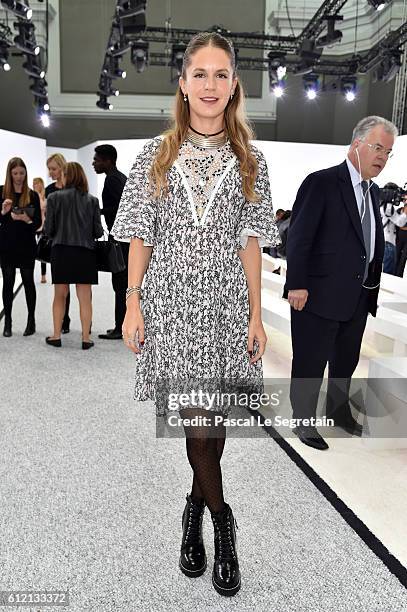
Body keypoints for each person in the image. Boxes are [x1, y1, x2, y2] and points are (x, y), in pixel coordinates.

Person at [111, 32, 280, 597]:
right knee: (200, 425)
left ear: (235, 86)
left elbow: (250, 243)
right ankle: (224, 524)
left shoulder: (251, 159)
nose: (210, 85)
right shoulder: (153, 154)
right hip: (174, 308)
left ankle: (193, 508)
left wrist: (257, 315)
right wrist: (133, 303)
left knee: (215, 424)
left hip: (228, 309)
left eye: (221, 74)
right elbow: (140, 236)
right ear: (182, 84)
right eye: (199, 74)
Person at [284, 116, 396, 451]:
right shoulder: (322, 183)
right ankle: (303, 420)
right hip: (316, 294)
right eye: (377, 147)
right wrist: (297, 284)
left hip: (357, 297)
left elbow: (367, 242)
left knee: (345, 362)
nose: (382, 157)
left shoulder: (372, 192)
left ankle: (338, 412)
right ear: (357, 144)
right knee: (310, 360)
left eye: (388, 152)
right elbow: (299, 238)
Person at [43, 162, 103, 349]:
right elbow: (98, 232)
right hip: (85, 252)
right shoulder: (92, 200)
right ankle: (86, 338)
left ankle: (56, 335)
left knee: (60, 295)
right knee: (85, 297)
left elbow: (48, 229)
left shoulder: (53, 198)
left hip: (61, 251)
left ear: (66, 176)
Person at [0, 157, 41, 337]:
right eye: (15, 173)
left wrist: (27, 219)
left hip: (26, 245)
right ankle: (7, 321)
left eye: (22, 173)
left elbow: (39, 222)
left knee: (28, 282)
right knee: (7, 282)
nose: (19, 177)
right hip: (6, 245)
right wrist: (3, 212)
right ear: (9, 174)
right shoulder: (1, 193)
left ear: (26, 173)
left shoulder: (32, 195)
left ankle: (31, 320)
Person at [92, 144, 127, 340]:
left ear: (108, 161)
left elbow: (117, 211)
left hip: (120, 241)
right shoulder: (119, 178)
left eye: (97, 159)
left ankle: (120, 328)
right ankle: (121, 326)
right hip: (124, 239)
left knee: (120, 284)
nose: (94, 163)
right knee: (122, 284)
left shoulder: (113, 180)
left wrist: (97, 211)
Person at [46, 153, 71, 333]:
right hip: (57, 241)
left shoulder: (73, 187)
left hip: (73, 240)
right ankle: (63, 319)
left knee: (75, 285)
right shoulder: (49, 190)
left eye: (53, 169)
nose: (51, 172)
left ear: (62, 168)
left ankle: (70, 318)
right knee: (60, 284)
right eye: (49, 169)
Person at [379, 183, 407, 275]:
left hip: (385, 243)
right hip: (388, 245)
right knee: (388, 274)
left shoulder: (380, 205)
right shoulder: (387, 207)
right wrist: (406, 210)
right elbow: (400, 222)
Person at [33, 176, 47, 283]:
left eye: (37, 183)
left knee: (43, 249)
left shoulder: (45, 195)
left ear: (41, 184)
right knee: (32, 249)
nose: (35, 185)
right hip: (35, 225)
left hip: (45, 225)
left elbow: (44, 207)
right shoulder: (33, 196)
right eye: (34, 184)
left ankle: (43, 275)